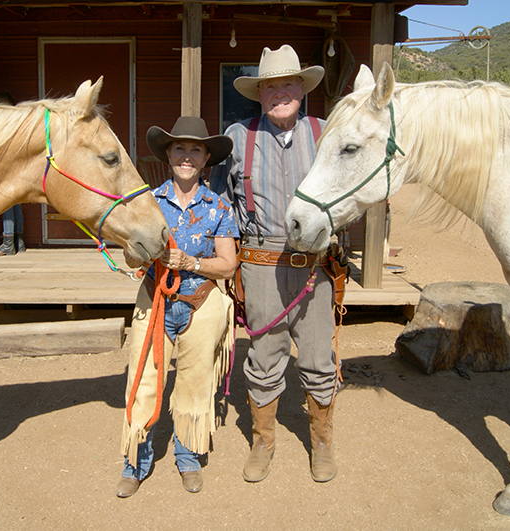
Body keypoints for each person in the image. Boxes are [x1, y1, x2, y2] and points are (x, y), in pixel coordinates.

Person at [209, 44, 338, 483]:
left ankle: (321, 442)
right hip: (260, 263)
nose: (279, 93)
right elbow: (221, 204)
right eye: (270, 87)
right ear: (258, 94)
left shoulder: (326, 133)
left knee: (320, 358)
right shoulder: (236, 136)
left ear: (301, 88)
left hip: (315, 266)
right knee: (264, 355)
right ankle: (263, 441)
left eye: (287, 84)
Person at [118, 116, 238, 498]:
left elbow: (228, 263)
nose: (187, 156)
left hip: (201, 304)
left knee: (195, 382)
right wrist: (137, 254)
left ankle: (187, 457)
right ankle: (135, 463)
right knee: (143, 382)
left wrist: (190, 264)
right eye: (180, 148)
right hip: (155, 301)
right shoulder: (147, 203)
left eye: (196, 150)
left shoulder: (220, 207)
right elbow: (131, 259)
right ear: (168, 154)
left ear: (206, 159)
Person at [0, 92, 26, 256]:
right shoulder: (18, 122)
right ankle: (19, 241)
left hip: (6, 165)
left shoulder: (3, 124)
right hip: (18, 165)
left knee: (6, 202)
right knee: (15, 203)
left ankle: (8, 243)